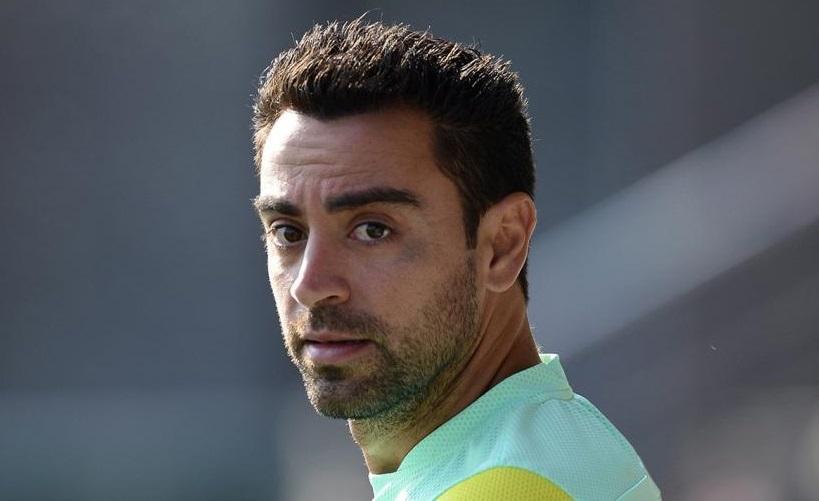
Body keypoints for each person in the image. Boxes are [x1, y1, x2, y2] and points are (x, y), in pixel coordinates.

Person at [251, 18, 661, 500]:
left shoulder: (510, 488)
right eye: (288, 232)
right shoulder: (552, 448)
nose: (310, 284)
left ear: (503, 245)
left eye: (373, 230)